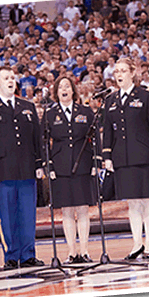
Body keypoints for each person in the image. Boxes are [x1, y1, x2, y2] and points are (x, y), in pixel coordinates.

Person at [0, 66, 45, 270]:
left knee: (28, 215)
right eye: (5, 78)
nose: (10, 80)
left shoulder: (28, 106)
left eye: (12, 77)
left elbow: (36, 139)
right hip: (1, 171)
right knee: (6, 216)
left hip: (26, 169)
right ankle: (11, 256)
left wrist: (38, 164)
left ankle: (28, 254)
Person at [103, 58, 149, 260]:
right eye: (116, 71)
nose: (119, 74)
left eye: (123, 70)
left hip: (144, 154)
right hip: (122, 157)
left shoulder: (145, 96)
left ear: (132, 73)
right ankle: (137, 243)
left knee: (146, 200)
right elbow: (108, 132)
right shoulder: (110, 100)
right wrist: (107, 155)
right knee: (133, 203)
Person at [44, 77, 98, 264]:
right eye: (60, 87)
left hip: (82, 164)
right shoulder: (49, 114)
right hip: (60, 167)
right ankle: (71, 252)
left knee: (83, 209)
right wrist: (48, 166)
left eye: (67, 86)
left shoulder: (84, 111)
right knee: (66, 211)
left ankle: (84, 251)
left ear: (73, 90)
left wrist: (95, 163)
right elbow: (44, 143)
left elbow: (96, 136)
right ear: (56, 92)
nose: (64, 89)